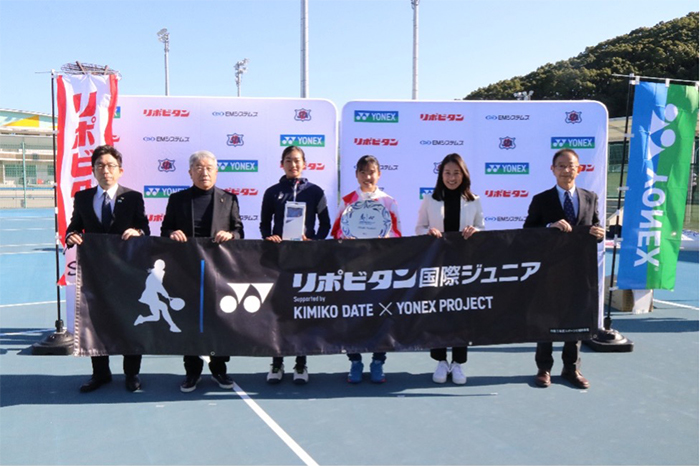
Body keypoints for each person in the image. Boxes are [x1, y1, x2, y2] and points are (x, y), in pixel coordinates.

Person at [65, 144, 150, 393]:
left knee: (129, 322)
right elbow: (74, 227)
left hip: (127, 272)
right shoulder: (82, 198)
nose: (106, 170)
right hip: (95, 273)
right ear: (93, 170)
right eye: (100, 166)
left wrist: (137, 231)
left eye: (111, 166)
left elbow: (145, 229)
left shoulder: (133, 197)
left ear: (120, 171)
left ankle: (131, 374)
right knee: (96, 323)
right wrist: (71, 236)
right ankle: (100, 374)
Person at [161, 150, 244, 393]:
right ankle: (192, 372)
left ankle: (219, 369)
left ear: (216, 172)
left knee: (219, 321)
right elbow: (165, 229)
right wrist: (172, 233)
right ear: (190, 172)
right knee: (189, 322)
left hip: (219, 272)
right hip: (186, 271)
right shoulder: (177, 199)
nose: (204, 172)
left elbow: (239, 231)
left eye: (209, 168)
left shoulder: (229, 199)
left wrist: (230, 235)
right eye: (198, 167)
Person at [524, 148, 605, 389]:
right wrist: (549, 226)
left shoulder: (590, 197)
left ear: (579, 169)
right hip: (549, 270)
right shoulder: (541, 199)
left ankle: (571, 368)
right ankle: (544, 368)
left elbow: (597, 228)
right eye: (561, 166)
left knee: (577, 317)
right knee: (546, 317)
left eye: (571, 166)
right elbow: (527, 232)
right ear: (553, 169)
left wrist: (600, 234)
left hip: (580, 268)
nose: (566, 170)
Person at [259, 145, 331, 384]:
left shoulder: (315, 192)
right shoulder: (272, 192)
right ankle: (276, 363)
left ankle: (301, 364)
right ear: (282, 164)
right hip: (278, 259)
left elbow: (325, 224)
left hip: (305, 260)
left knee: (302, 311)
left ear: (305, 164)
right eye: (288, 160)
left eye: (297, 160)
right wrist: (270, 237)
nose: (293, 165)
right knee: (277, 312)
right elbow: (264, 224)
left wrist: (313, 242)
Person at [331, 155, 402, 384]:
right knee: (353, 316)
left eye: (371, 172)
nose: (367, 176)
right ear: (356, 175)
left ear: (379, 174)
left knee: (382, 316)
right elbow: (336, 232)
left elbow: (398, 234)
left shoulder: (388, 202)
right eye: (362, 172)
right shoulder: (347, 201)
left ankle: (378, 361)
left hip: (380, 270)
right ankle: (355, 361)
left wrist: (384, 239)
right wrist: (349, 238)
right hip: (354, 268)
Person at [415, 153, 484, 385]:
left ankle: (458, 363)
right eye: (447, 173)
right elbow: (419, 227)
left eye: (456, 173)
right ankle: (441, 361)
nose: (451, 178)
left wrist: (475, 231)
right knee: (439, 312)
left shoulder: (474, 200)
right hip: (438, 264)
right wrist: (428, 232)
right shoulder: (430, 199)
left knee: (461, 312)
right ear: (441, 175)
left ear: (463, 175)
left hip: (464, 265)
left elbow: (482, 227)